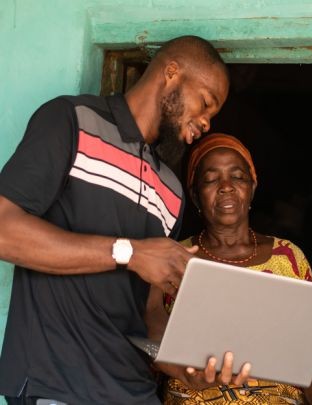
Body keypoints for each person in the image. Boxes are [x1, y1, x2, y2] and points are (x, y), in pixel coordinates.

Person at [0, 36, 230, 405]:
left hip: (134, 392)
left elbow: (149, 313)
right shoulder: (72, 120)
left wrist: (189, 367)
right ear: (171, 73)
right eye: (205, 103)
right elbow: (4, 231)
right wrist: (129, 252)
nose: (205, 122)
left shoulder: (171, 190)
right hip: (61, 386)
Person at [145, 133, 312, 404]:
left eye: (238, 177)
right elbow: (148, 339)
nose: (226, 187)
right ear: (195, 196)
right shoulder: (173, 257)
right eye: (210, 179)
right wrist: (177, 366)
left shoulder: (289, 256)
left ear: (252, 187)